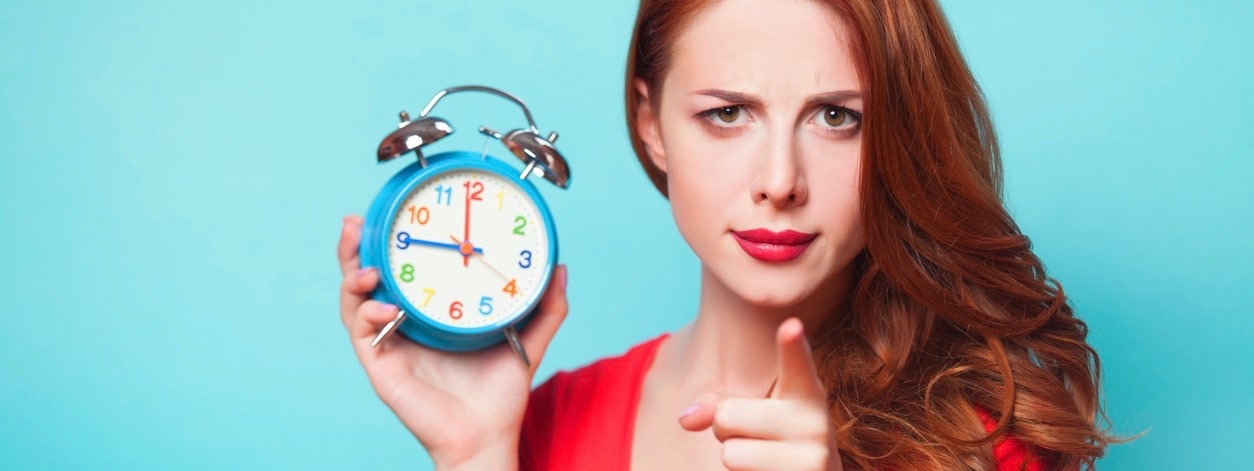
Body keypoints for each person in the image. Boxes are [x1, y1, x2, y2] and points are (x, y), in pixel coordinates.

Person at [337, 0, 1115, 469]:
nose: (780, 179)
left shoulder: (983, 442)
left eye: (837, 116)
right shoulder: (537, 430)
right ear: (652, 125)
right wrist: (473, 455)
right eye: (728, 114)